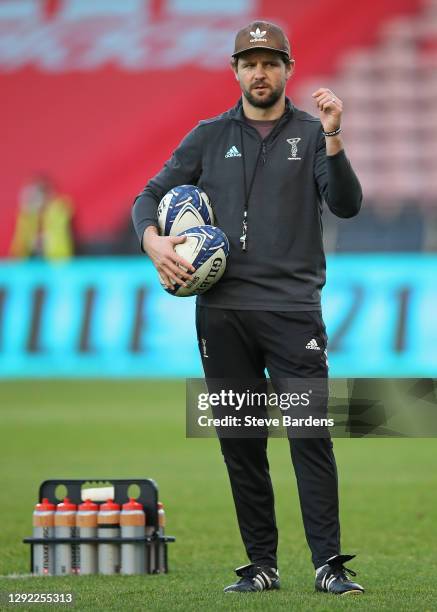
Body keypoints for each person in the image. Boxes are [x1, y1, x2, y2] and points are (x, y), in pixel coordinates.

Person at [132, 21, 364, 596]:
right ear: (234, 70)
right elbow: (149, 196)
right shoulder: (208, 136)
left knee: (311, 437)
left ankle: (329, 565)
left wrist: (335, 139)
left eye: (271, 62)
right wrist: (153, 241)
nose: (260, 73)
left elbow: (347, 203)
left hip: (292, 311)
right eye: (249, 63)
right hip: (222, 313)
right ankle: (262, 564)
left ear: (288, 68)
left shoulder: (313, 133)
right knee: (241, 442)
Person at [10, 174, 74, 260]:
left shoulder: (59, 210)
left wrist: (45, 242)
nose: (30, 199)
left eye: (35, 195)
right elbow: (17, 253)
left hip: (58, 265)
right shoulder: (26, 216)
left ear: (47, 195)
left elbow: (63, 253)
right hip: (33, 266)